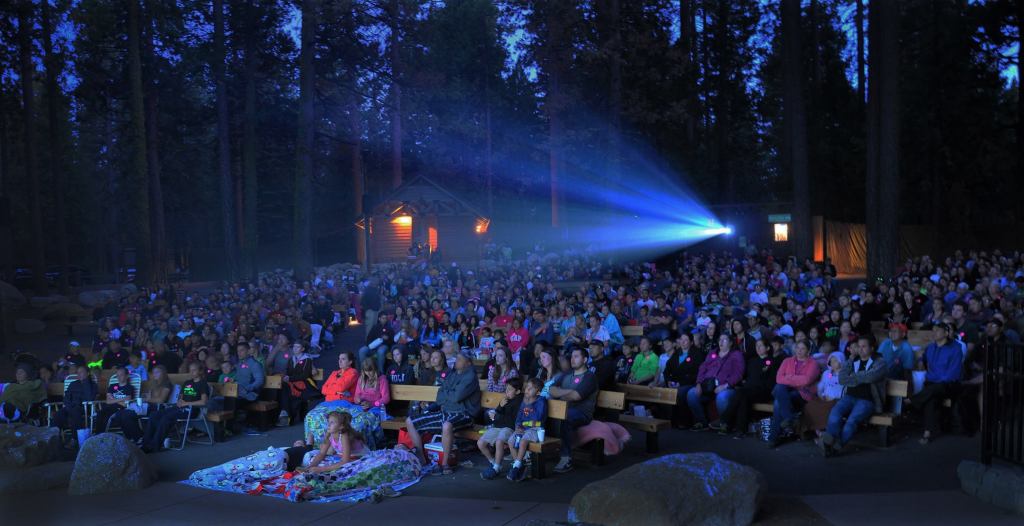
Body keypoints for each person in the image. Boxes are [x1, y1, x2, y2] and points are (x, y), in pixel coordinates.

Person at [404, 351, 481, 475]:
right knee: (410, 421)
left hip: (464, 414)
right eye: (457, 359)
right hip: (446, 412)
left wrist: (447, 395)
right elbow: (439, 395)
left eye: (460, 360)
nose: (456, 361)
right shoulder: (453, 374)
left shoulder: (470, 376)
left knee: (446, 425)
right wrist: (448, 395)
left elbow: (457, 397)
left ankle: (445, 464)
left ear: (468, 363)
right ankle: (423, 460)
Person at [821, 336, 887, 456]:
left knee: (851, 421)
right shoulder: (852, 360)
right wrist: (861, 377)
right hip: (849, 396)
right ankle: (829, 443)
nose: (860, 349)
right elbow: (842, 378)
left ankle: (834, 446)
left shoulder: (879, 361)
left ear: (872, 348)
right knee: (835, 413)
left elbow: (872, 376)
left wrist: (853, 377)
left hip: (867, 400)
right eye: (858, 346)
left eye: (864, 346)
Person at [547, 348, 598, 473]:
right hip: (563, 409)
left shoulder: (589, 377)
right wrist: (567, 393)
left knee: (566, 418)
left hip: (582, 413)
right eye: (571, 357)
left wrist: (561, 394)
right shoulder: (567, 374)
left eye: (576, 356)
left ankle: (566, 458)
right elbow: (551, 389)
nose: (572, 359)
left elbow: (576, 396)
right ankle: (533, 451)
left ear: (585, 360)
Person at [911, 322, 963, 445]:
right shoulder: (931, 347)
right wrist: (919, 360)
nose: (934, 333)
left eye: (938, 331)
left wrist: (937, 381)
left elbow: (953, 373)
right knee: (931, 399)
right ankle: (927, 433)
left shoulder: (955, 348)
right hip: (932, 384)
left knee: (934, 390)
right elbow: (922, 357)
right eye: (933, 331)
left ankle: (913, 401)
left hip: (949, 384)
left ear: (946, 333)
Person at [141, 362, 208, 452]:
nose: (191, 372)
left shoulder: (203, 384)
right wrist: (180, 401)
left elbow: (203, 402)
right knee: (154, 415)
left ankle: (154, 446)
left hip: (191, 410)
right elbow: (181, 397)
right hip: (180, 407)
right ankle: (145, 444)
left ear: (200, 371)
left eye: (194, 370)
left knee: (166, 418)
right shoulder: (187, 382)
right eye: (190, 370)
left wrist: (187, 403)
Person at [686, 334, 745, 432]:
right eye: (720, 339)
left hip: (728, 387)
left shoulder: (736, 354)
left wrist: (725, 385)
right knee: (691, 393)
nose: (721, 342)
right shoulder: (713, 353)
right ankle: (702, 422)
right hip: (708, 385)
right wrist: (699, 383)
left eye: (724, 340)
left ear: (730, 343)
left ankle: (725, 423)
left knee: (722, 396)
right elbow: (703, 368)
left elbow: (738, 373)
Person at [768, 340, 821, 448]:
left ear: (808, 350)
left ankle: (774, 437)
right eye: (797, 348)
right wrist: (796, 380)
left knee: (778, 401)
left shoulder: (813, 363)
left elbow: (807, 380)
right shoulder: (787, 361)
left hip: (803, 394)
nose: (799, 351)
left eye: (802, 349)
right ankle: (789, 418)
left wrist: (788, 377)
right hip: (786, 391)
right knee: (779, 388)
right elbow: (778, 378)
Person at [722, 338, 778, 438]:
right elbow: (746, 377)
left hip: (763, 391)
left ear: (768, 348)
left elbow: (772, 382)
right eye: (757, 346)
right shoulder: (752, 361)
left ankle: (725, 420)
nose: (758, 348)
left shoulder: (773, 361)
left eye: (761, 346)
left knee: (741, 394)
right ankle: (741, 430)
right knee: (743, 396)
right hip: (748, 390)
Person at [478, 377, 524, 480]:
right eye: (506, 388)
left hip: (509, 428)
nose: (506, 391)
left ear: (518, 391)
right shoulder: (506, 399)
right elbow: (499, 413)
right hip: (499, 426)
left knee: (499, 441)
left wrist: (496, 417)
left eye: (510, 389)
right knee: (481, 443)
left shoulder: (518, 402)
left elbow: (511, 421)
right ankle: (493, 463)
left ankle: (496, 468)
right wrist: (498, 410)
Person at [506, 377, 548, 482]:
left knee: (523, 441)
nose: (527, 390)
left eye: (530, 388)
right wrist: (517, 426)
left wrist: (530, 404)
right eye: (527, 387)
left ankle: (516, 467)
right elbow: (519, 416)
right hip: (523, 429)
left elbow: (537, 418)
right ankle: (519, 465)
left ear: (538, 392)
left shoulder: (541, 401)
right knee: (511, 441)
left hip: (535, 429)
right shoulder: (524, 401)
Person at [663, 333, 704, 428]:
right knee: (665, 390)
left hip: (690, 383)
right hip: (674, 383)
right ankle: (670, 420)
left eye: (686, 340)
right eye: (681, 339)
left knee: (680, 392)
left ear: (691, 342)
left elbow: (698, 373)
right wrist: (668, 381)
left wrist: (680, 383)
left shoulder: (697, 353)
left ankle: (684, 421)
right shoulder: (677, 353)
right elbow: (666, 371)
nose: (683, 342)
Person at [93, 367, 143, 442]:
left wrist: (113, 399)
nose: (119, 377)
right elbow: (108, 401)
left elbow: (127, 401)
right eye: (118, 375)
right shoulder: (112, 386)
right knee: (100, 413)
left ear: (127, 376)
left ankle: (101, 437)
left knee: (107, 416)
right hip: (109, 407)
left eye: (121, 375)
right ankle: (98, 436)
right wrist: (121, 399)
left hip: (120, 409)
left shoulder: (129, 387)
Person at [802, 351, 845, 435]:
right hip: (824, 398)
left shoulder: (844, 374)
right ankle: (815, 429)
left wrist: (834, 397)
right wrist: (821, 395)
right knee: (809, 406)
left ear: (841, 361)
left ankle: (825, 431)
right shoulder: (827, 373)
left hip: (836, 400)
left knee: (828, 409)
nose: (832, 363)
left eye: (835, 360)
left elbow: (844, 389)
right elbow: (821, 385)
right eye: (831, 361)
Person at [52, 364, 98, 438]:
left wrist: (86, 381)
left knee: (75, 413)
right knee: (58, 414)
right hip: (70, 407)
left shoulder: (93, 385)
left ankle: (75, 439)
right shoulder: (73, 384)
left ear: (88, 373)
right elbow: (66, 397)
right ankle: (54, 438)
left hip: (84, 408)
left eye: (81, 372)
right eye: (78, 372)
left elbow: (90, 398)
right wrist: (68, 406)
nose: (79, 374)